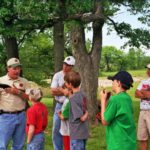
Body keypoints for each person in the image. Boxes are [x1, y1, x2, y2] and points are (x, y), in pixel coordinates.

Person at [100, 71, 136, 150]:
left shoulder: (115, 100)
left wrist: (102, 100)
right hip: (128, 143)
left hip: (117, 145)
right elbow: (114, 114)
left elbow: (105, 121)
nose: (112, 83)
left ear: (119, 83)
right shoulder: (127, 98)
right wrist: (107, 102)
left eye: (113, 81)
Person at [0, 57, 30, 150]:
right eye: (14, 68)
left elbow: (29, 98)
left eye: (19, 68)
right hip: (5, 117)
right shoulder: (1, 81)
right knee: (2, 145)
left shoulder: (24, 81)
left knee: (19, 145)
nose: (17, 71)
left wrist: (17, 92)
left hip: (21, 116)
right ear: (8, 68)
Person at [50, 56, 75, 150]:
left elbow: (74, 92)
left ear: (72, 66)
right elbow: (52, 91)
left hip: (70, 106)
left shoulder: (75, 76)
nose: (65, 66)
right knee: (56, 130)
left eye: (68, 65)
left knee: (70, 129)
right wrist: (65, 90)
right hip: (59, 105)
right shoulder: (57, 75)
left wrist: (60, 89)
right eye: (64, 64)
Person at [64, 70, 89, 150]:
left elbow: (81, 118)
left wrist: (87, 113)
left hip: (77, 134)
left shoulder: (73, 98)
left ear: (70, 84)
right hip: (84, 132)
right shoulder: (82, 94)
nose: (65, 84)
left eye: (66, 83)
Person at [135, 64, 150, 150]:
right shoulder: (144, 81)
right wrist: (146, 94)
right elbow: (136, 94)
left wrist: (143, 92)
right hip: (142, 111)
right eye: (147, 69)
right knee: (142, 137)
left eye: (149, 69)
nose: (147, 71)